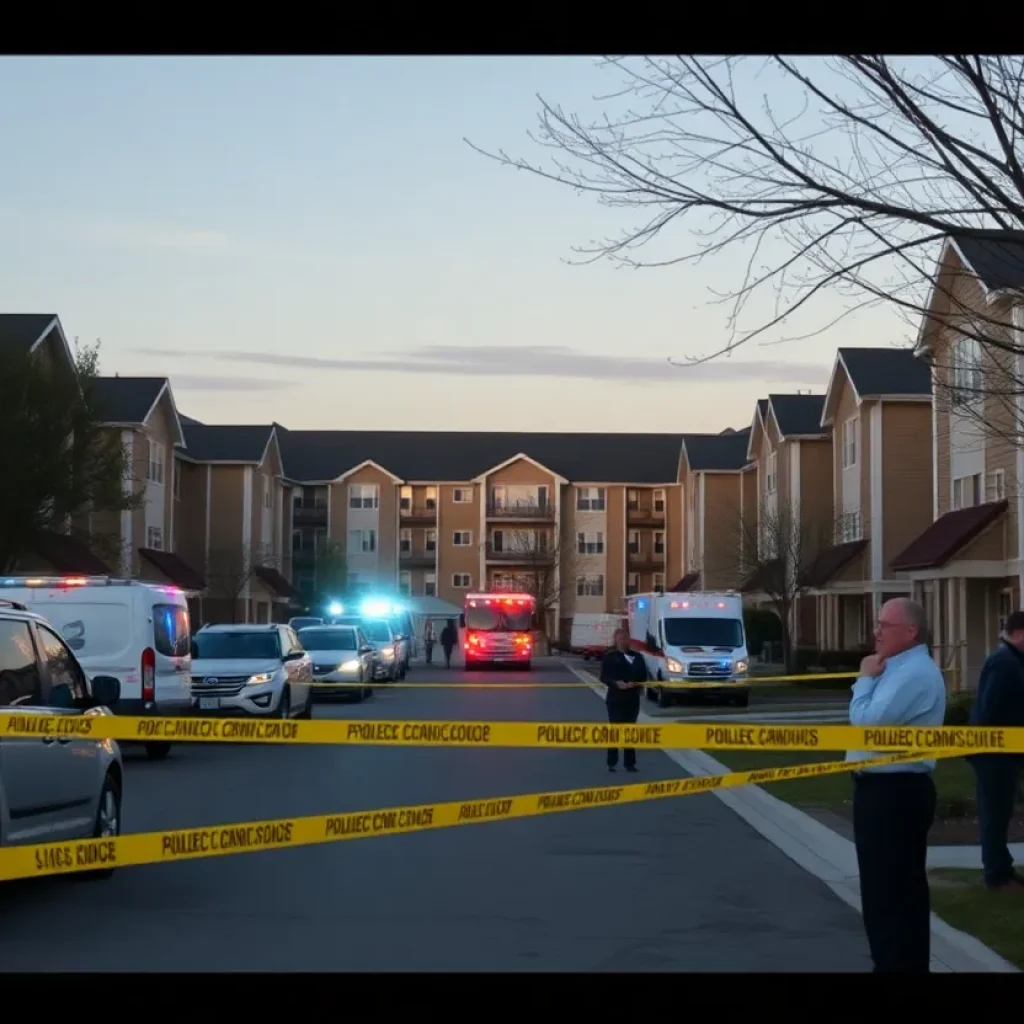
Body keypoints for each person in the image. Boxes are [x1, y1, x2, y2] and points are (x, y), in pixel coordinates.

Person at [846, 597, 946, 973]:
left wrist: (863, 680)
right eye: (876, 624)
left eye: (883, 625)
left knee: (890, 894)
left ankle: (897, 965)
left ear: (910, 631)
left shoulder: (913, 673)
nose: (876, 632)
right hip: (883, 793)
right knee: (887, 892)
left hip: (895, 796)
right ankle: (897, 963)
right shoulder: (895, 668)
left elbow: (869, 724)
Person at [968, 610, 1024, 891]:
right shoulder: (1004, 663)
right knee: (995, 813)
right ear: (1020, 634)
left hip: (1004, 752)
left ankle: (1002, 867)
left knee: (1001, 812)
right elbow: (990, 710)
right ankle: (996, 874)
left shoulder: (1012, 661)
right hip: (994, 753)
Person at [599, 628, 648, 772]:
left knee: (630, 731)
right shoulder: (609, 657)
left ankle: (630, 763)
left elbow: (644, 677)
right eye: (620, 638)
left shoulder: (637, 657)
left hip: (632, 699)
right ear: (616, 640)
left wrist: (635, 683)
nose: (623, 641)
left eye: (625, 638)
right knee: (615, 730)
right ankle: (611, 763)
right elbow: (603, 677)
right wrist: (616, 683)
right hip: (615, 699)